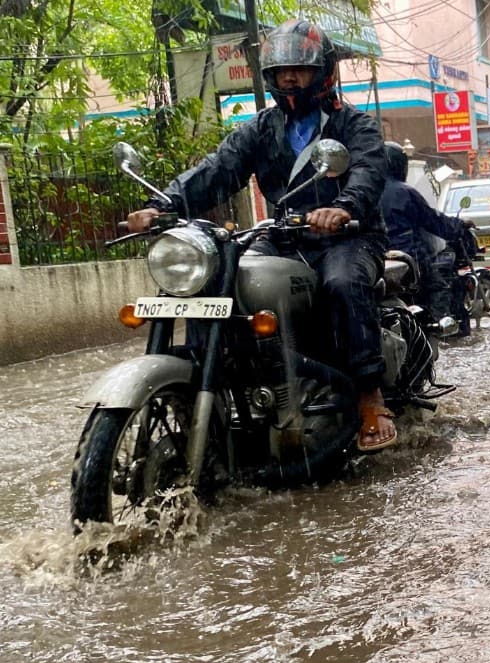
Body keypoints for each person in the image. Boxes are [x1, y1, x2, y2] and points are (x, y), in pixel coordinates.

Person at [126, 19, 397, 452]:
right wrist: (164, 206)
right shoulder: (261, 128)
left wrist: (343, 208)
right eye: (281, 70)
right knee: (220, 282)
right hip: (284, 235)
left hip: (348, 236)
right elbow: (217, 170)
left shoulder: (354, 125)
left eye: (300, 69)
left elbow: (366, 172)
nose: (289, 77)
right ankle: (215, 391)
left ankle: (369, 395)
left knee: (342, 284)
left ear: (322, 71)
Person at [379, 141, 472, 322]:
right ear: (401, 164)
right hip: (407, 256)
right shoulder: (405, 192)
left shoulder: (366, 191)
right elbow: (433, 221)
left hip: (375, 257)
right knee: (438, 287)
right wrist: (458, 226)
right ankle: (436, 329)